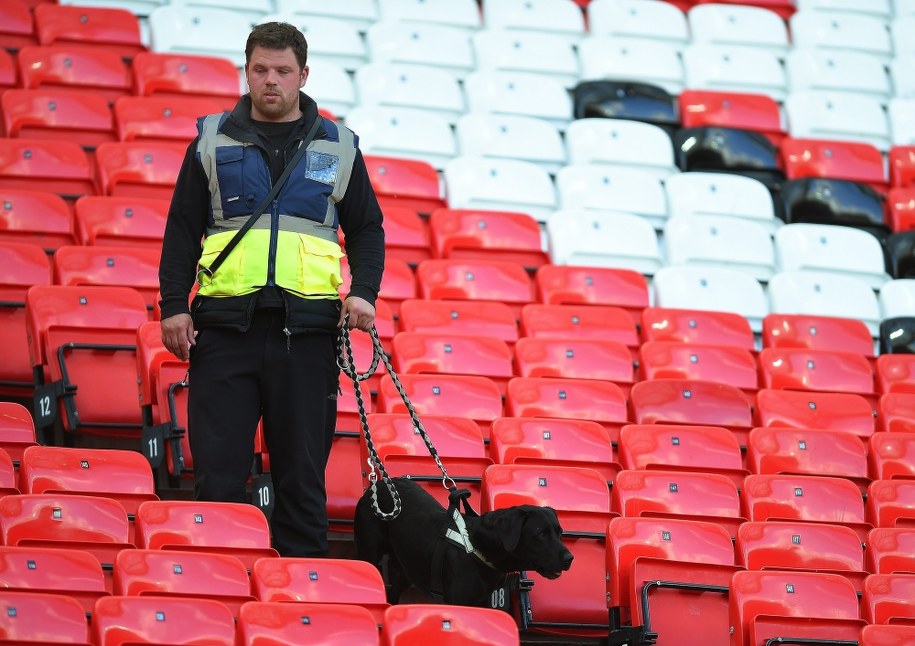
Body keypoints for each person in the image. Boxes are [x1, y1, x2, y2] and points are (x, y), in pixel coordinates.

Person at [158, 21, 385, 557]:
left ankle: (304, 604)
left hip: (306, 339)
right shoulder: (211, 139)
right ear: (247, 71)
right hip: (224, 334)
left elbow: (368, 228)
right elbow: (182, 229)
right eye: (260, 69)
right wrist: (172, 306)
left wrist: (365, 292)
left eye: (283, 71)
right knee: (218, 480)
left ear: (303, 75)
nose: (271, 81)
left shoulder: (340, 146)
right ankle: (220, 587)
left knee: (302, 483)